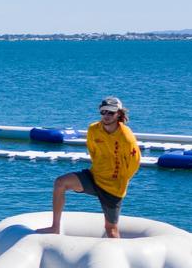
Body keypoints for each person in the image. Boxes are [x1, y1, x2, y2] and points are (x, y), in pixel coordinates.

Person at [39, 96, 140, 237]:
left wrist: (119, 179)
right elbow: (93, 152)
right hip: (94, 177)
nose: (106, 116)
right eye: (103, 112)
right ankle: (55, 227)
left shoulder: (126, 137)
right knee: (60, 183)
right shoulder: (93, 129)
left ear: (119, 114)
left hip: (113, 187)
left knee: (111, 229)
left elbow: (134, 163)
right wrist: (100, 169)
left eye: (111, 112)